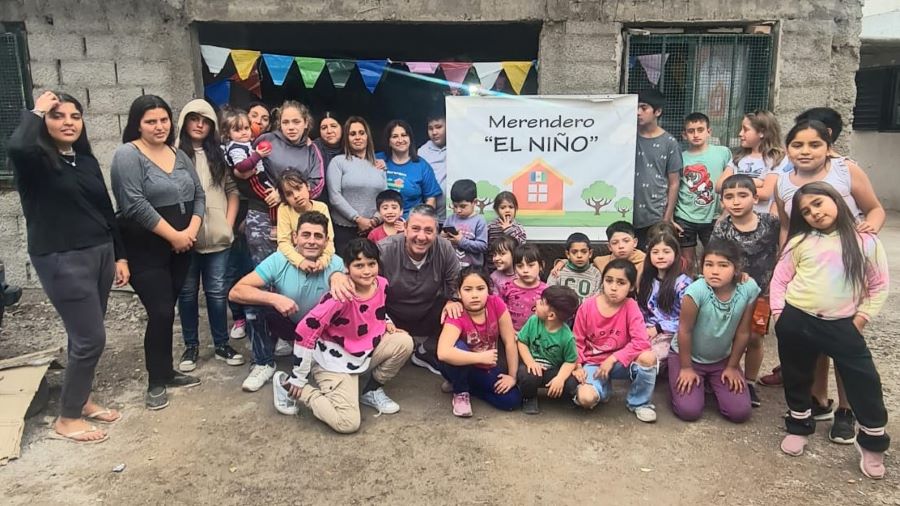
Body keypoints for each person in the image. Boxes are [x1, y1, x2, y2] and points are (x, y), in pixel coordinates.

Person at [9, 90, 129, 442]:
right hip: (61, 258)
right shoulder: (34, 163)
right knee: (91, 338)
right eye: (57, 116)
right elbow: (17, 147)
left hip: (100, 253)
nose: (68, 123)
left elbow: (106, 210)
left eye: (75, 116)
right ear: (43, 121)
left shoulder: (84, 160)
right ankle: (68, 418)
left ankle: (82, 400)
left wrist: (120, 255)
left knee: (84, 334)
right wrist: (36, 111)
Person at [773, 120, 886, 440]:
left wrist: (867, 236)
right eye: (797, 145)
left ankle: (846, 411)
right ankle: (819, 400)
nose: (805, 151)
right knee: (812, 347)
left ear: (828, 146)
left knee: (846, 352)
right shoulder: (784, 182)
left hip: (847, 268)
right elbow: (787, 226)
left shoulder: (845, 171)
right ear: (787, 150)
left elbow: (875, 209)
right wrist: (786, 260)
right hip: (810, 270)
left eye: (814, 144)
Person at [771, 182, 890, 479]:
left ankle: (872, 441)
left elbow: (878, 286)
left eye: (818, 203)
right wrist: (779, 315)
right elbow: (780, 279)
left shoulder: (865, 241)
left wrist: (860, 319)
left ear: (835, 199)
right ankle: (799, 425)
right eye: (806, 211)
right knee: (797, 375)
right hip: (797, 318)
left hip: (843, 323)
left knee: (864, 380)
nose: (814, 212)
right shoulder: (800, 242)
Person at [110, 95, 205, 410]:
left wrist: (190, 232)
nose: (159, 126)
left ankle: (167, 371)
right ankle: (155, 381)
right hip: (145, 248)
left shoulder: (178, 153)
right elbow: (134, 204)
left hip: (182, 247)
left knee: (168, 309)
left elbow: (199, 195)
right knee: (161, 311)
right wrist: (174, 235)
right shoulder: (128, 155)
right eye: (151, 121)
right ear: (137, 124)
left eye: (164, 120)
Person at [273, 239, 414, 431]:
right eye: (359, 265)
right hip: (333, 361)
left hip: (363, 352)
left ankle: (370, 389)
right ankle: (289, 386)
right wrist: (299, 376)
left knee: (404, 341)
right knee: (347, 423)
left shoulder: (381, 284)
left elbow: (376, 310)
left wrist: (387, 322)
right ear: (347, 267)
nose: (367, 271)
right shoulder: (340, 297)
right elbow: (305, 330)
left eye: (371, 264)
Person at [328, 204, 462, 375]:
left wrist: (454, 300)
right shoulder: (384, 249)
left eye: (429, 231)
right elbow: (358, 270)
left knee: (463, 305)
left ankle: (426, 351)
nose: (421, 237)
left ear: (436, 232)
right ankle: (365, 357)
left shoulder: (444, 248)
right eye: (415, 229)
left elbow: (456, 281)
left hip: (428, 312)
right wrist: (337, 275)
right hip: (390, 315)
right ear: (405, 228)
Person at [229, 211, 344, 392]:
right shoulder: (279, 259)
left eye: (318, 236)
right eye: (306, 235)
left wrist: (340, 276)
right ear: (295, 237)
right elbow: (236, 292)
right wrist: (274, 298)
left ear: (326, 241)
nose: (311, 241)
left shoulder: (336, 264)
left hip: (320, 332)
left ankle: (321, 356)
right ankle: (264, 363)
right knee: (253, 305)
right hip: (289, 323)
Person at [174, 99, 244, 373]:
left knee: (216, 293)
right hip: (184, 238)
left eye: (205, 121)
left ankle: (222, 344)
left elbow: (232, 191)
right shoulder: (174, 154)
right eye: (194, 119)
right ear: (184, 122)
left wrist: (228, 225)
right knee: (187, 293)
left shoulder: (219, 155)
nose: (199, 125)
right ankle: (191, 346)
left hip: (217, 237)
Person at [669, 240, 758, 423]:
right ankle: (674, 372)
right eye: (709, 264)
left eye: (723, 265)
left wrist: (732, 366)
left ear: (736, 268)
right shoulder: (696, 291)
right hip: (688, 357)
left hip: (721, 359)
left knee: (740, 413)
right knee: (689, 411)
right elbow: (684, 330)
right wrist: (686, 368)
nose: (715, 271)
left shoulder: (748, 289)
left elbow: (743, 332)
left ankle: (711, 382)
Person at [711, 175, 780, 407]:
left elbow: (784, 246)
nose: (736, 201)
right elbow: (715, 258)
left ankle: (749, 382)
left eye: (742, 195)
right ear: (722, 201)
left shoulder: (771, 223)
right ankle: (723, 375)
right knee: (728, 335)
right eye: (729, 197)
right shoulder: (722, 228)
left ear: (755, 198)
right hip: (730, 292)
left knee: (754, 338)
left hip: (762, 294)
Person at [568, 259, 658, 422]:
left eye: (621, 282)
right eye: (609, 281)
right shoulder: (587, 306)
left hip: (621, 363)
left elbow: (641, 342)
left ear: (631, 286)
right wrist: (578, 365)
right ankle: (602, 389)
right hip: (594, 363)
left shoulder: (631, 306)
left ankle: (639, 403)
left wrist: (613, 359)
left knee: (648, 358)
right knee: (586, 399)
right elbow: (577, 340)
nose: (614, 287)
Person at [437, 267, 520, 417]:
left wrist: (512, 377)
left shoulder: (496, 303)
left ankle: (470, 389)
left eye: (480, 289)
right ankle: (460, 392)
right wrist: (480, 357)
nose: (474, 295)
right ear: (459, 293)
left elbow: (510, 341)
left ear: (488, 290)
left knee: (512, 400)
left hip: (486, 367)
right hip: (460, 365)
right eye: (468, 289)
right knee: (458, 347)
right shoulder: (456, 312)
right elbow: (443, 353)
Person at [219, 106, 271, 340]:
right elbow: (241, 170)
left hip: (253, 213)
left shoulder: (255, 144)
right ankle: (240, 316)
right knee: (234, 268)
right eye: (238, 128)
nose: (245, 131)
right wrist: (257, 157)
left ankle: (256, 317)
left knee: (253, 267)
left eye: (247, 128)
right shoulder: (235, 148)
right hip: (238, 212)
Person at [674, 112, 732, 274]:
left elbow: (730, 182)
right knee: (686, 262)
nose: (696, 134)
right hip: (685, 216)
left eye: (700, 130)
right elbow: (675, 185)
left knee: (714, 259)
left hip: (714, 216)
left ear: (709, 132)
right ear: (684, 135)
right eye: (691, 131)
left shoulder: (723, 153)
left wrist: (726, 212)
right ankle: (687, 287)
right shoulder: (680, 158)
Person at [327, 116, 387, 254]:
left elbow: (385, 198)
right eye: (352, 134)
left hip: (374, 229)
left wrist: (375, 220)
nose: (358, 137)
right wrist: (357, 219)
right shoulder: (338, 162)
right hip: (344, 231)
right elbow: (334, 196)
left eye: (361, 133)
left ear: (367, 136)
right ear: (346, 138)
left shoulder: (378, 165)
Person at [516, 285, 580, 414]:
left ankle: (560, 394)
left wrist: (560, 378)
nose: (536, 302)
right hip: (534, 368)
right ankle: (529, 397)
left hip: (553, 370)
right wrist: (530, 362)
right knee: (526, 375)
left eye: (541, 302)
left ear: (551, 315)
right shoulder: (533, 321)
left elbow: (570, 361)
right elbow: (522, 342)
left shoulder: (567, 337)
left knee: (572, 382)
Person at [633, 89, 683, 249]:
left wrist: (667, 218)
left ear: (657, 111)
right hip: (625, 210)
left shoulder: (669, 142)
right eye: (635, 107)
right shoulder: (627, 136)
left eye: (643, 108)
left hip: (655, 213)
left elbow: (674, 182)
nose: (638, 112)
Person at [715, 110, 788, 215]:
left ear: (762, 132)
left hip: (761, 218)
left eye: (746, 129)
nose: (740, 134)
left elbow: (766, 193)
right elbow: (719, 186)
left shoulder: (776, 158)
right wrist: (756, 182)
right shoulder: (738, 157)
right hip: (733, 218)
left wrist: (733, 185)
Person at [637, 233, 691, 368]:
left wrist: (659, 328)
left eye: (666, 252)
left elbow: (688, 319)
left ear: (676, 254)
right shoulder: (647, 280)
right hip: (647, 330)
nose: (660, 256)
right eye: (655, 252)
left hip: (671, 334)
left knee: (646, 359)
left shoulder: (684, 283)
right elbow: (642, 310)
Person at [255, 100, 325, 198]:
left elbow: (317, 184)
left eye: (296, 122)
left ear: (306, 123)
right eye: (285, 122)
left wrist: (285, 196)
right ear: (280, 124)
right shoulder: (267, 139)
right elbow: (248, 167)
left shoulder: (311, 149)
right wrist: (268, 193)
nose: (291, 127)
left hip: (298, 205)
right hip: (263, 202)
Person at [379, 120, 442, 219]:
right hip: (379, 222)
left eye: (404, 135)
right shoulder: (377, 160)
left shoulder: (422, 166)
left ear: (410, 139)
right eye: (395, 136)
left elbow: (431, 199)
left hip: (411, 222)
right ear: (389, 141)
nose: (400, 140)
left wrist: (419, 221)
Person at [553, 221, 646, 281]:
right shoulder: (601, 262)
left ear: (635, 242)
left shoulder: (645, 262)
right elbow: (582, 264)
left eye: (626, 241)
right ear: (609, 247)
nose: (621, 246)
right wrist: (563, 262)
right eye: (615, 243)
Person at [499, 243, 547, 331]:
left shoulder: (546, 290)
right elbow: (500, 313)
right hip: (512, 334)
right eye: (520, 266)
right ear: (514, 268)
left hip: (537, 335)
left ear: (541, 266)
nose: (525, 270)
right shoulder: (507, 288)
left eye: (531, 265)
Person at [442, 179, 488, 268]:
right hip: (451, 268)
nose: (458, 210)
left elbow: (483, 246)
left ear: (474, 202)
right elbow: (442, 244)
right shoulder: (450, 219)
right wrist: (442, 237)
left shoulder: (479, 221)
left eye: (463, 206)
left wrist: (461, 241)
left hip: (473, 270)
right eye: (455, 206)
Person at [547, 232, 602, 303]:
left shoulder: (596, 274)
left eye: (584, 252)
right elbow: (549, 293)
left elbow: (597, 298)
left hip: (587, 309)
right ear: (568, 254)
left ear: (590, 253)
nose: (579, 256)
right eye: (574, 252)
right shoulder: (558, 271)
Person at [418, 113, 448, 223]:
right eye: (430, 128)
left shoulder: (458, 146)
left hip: (457, 215)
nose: (434, 132)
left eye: (439, 127)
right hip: (431, 217)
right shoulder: (422, 152)